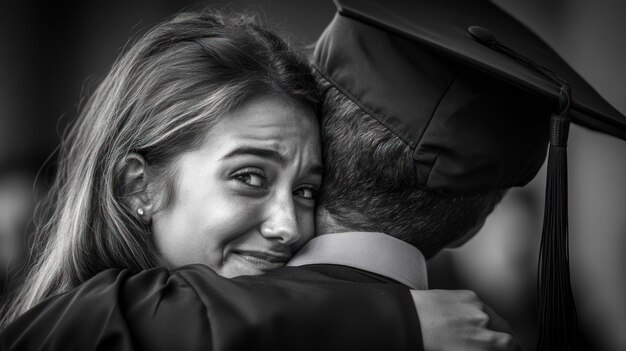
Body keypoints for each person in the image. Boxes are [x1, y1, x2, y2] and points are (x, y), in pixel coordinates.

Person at [0, 8, 516, 351]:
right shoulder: (78, 322)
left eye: (307, 190)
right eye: (249, 177)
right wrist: (392, 321)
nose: (288, 226)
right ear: (140, 186)